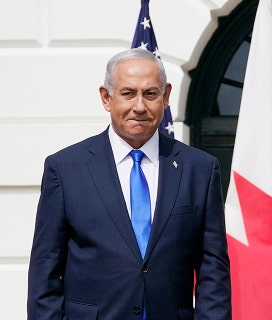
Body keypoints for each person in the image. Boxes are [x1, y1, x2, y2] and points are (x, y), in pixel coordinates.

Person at [27, 48, 231, 319]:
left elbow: (213, 270)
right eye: (127, 93)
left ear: (166, 96)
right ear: (106, 97)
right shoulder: (65, 169)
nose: (139, 106)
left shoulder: (200, 170)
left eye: (150, 94)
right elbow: (45, 272)